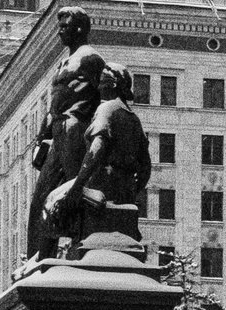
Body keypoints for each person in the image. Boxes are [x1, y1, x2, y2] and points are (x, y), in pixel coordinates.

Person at [24, 8, 107, 258]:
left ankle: (85, 249)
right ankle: (39, 259)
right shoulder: (64, 62)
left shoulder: (91, 58)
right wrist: (41, 136)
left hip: (76, 130)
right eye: (59, 25)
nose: (60, 31)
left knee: (75, 193)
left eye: (65, 26)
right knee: (41, 200)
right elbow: (54, 104)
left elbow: (105, 97)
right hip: (59, 133)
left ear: (80, 28)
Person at [44, 67, 152, 248]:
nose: (99, 87)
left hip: (100, 186)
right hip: (124, 191)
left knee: (52, 200)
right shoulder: (133, 119)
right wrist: (131, 192)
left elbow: (96, 150)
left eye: (103, 82)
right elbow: (145, 167)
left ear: (114, 84)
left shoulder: (106, 110)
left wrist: (78, 186)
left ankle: (43, 261)